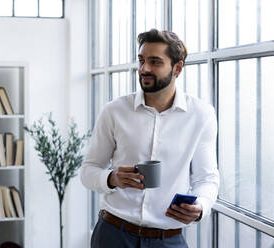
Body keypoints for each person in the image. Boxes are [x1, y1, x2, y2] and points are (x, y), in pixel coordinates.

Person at [81, 29, 219, 248]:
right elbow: (88, 170)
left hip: (168, 239)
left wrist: (201, 206)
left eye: (155, 62)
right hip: (113, 235)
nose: (144, 69)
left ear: (178, 68)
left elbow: (206, 178)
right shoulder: (114, 111)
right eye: (141, 60)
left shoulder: (201, 115)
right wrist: (112, 178)